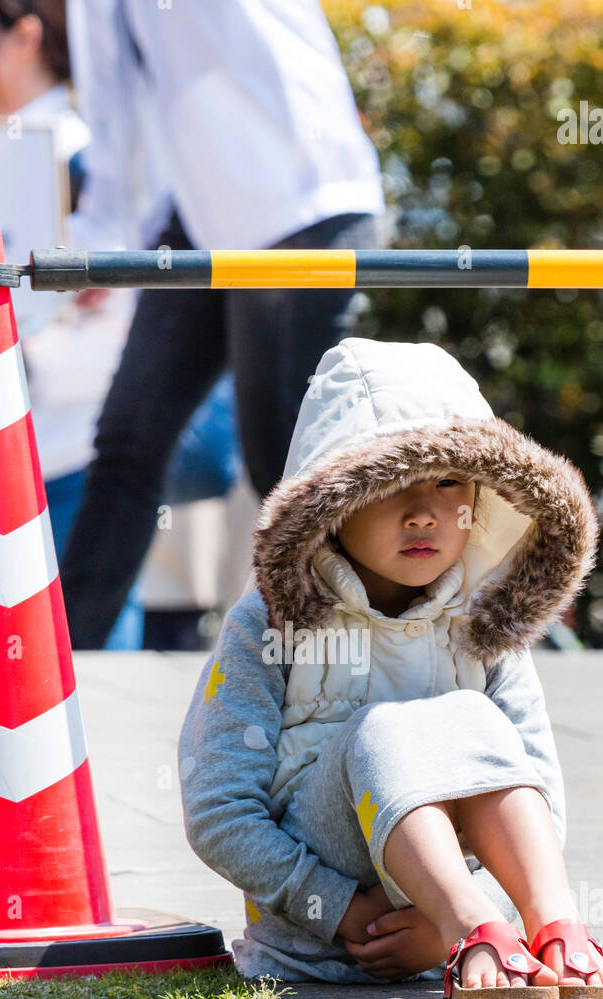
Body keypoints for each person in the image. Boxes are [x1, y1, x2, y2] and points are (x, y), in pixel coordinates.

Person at [177, 337, 603, 999]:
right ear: (329, 505)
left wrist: (467, 915)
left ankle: (547, 928)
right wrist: (338, 910)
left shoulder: (487, 618)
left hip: (451, 937)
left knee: (479, 721)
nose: (423, 511)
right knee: (384, 731)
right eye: (390, 484)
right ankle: (470, 929)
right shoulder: (269, 625)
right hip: (318, 937)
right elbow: (218, 809)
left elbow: (534, 783)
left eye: (449, 481)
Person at [59, 0, 386, 648]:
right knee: (133, 442)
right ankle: (58, 666)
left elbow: (113, 105)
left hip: (291, 210)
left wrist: (99, 242)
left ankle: (363, 667)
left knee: (285, 468)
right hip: (219, 213)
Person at [0, 0, 144, 648]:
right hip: (14, 444)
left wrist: (27, 364)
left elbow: (121, 308)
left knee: (82, 667)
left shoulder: (78, 156)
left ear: (23, 37)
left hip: (65, 452)